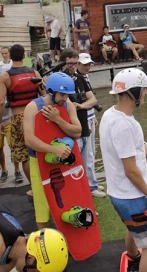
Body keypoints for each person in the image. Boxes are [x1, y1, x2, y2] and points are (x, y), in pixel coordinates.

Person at [100, 69, 147, 272]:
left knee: (133, 230)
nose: (146, 93)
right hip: (132, 197)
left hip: (117, 193)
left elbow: (120, 142)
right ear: (133, 92)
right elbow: (131, 171)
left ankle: (133, 257)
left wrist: (142, 145)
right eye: (143, 89)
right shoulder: (125, 126)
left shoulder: (110, 115)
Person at [23, 72, 82, 230]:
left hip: (64, 161)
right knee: (42, 208)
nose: (65, 98)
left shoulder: (68, 105)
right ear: (51, 91)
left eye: (67, 95)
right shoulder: (33, 107)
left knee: (68, 201)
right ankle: (45, 241)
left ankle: (69, 239)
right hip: (39, 162)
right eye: (62, 94)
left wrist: (58, 119)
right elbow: (29, 139)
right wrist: (53, 150)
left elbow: (77, 132)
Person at [60, 49, 105, 197]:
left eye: (75, 63)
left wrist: (81, 106)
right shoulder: (60, 79)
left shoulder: (80, 78)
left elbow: (92, 99)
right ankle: (79, 188)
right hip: (71, 126)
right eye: (70, 64)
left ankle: (90, 186)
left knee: (89, 155)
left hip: (85, 122)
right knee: (74, 159)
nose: (73, 66)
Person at [0, 44, 40, 187]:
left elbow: (1, 101)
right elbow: (44, 95)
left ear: (9, 55)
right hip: (36, 117)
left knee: (24, 155)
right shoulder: (35, 73)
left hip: (18, 117)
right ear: (24, 55)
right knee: (39, 150)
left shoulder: (5, 77)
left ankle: (33, 187)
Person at [76, 53, 106, 198]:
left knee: (92, 152)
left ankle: (91, 180)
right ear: (77, 64)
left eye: (89, 64)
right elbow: (90, 101)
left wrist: (93, 116)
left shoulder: (85, 77)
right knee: (87, 154)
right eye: (85, 64)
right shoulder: (77, 79)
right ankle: (91, 185)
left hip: (89, 117)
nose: (88, 67)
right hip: (83, 119)